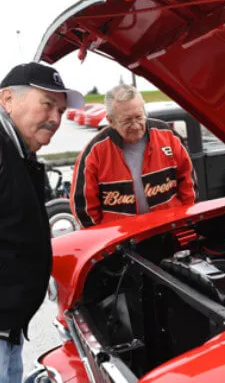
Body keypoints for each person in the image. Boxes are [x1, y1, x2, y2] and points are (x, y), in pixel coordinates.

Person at [0, 62, 84, 383]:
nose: (55, 118)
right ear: (7, 99)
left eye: (61, 111)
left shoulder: (20, 151)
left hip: (10, 328)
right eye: (47, 104)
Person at [70, 84, 197, 228]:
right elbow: (83, 208)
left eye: (138, 117)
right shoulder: (93, 153)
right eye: (127, 121)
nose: (136, 126)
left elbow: (188, 182)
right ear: (110, 121)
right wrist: (106, 239)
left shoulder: (168, 136)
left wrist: (184, 220)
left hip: (168, 229)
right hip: (120, 241)